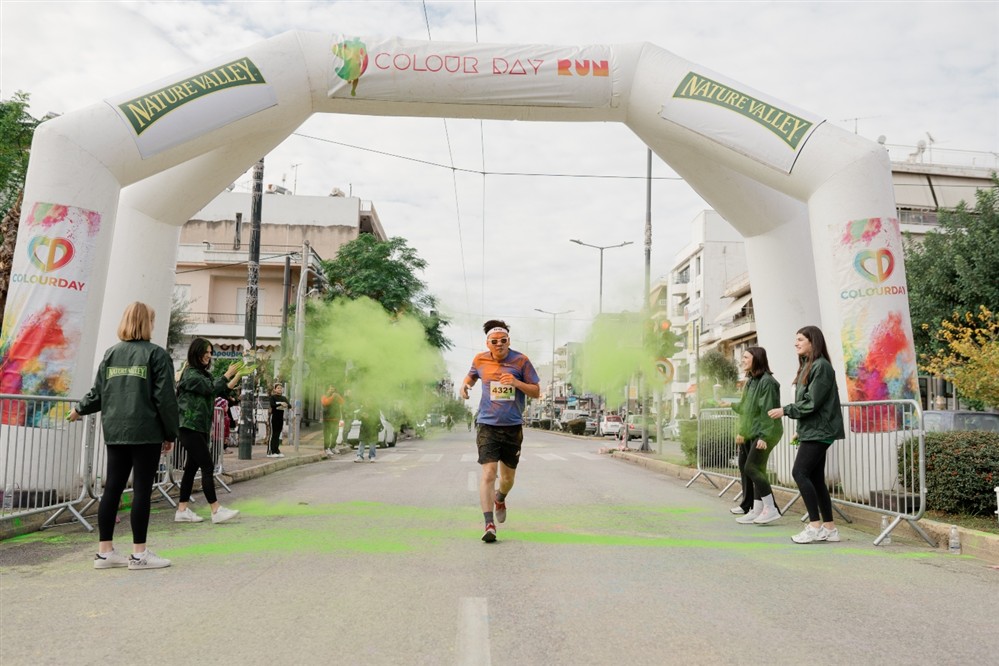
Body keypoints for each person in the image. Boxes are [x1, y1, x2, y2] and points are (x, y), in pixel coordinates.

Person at [68, 302, 179, 570]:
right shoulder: (156, 355)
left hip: (115, 431)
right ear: (146, 323)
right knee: (141, 490)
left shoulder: (110, 354)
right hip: (146, 431)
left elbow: (98, 392)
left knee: (113, 489)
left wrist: (78, 409)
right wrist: (170, 433)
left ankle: (105, 552)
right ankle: (139, 554)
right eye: (151, 320)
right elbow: (164, 398)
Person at [460, 320, 540, 543]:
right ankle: (489, 524)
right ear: (488, 343)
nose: (499, 345)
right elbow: (470, 377)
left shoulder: (521, 361)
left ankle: (501, 498)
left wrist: (516, 383)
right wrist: (465, 386)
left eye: (503, 341)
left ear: (508, 342)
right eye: (494, 342)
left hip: (512, 426)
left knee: (507, 479)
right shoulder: (480, 359)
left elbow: (536, 391)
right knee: (488, 473)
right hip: (487, 424)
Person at [768, 325, 846, 544]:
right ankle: (830, 529)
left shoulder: (821, 367)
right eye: (796, 339)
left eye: (800, 339)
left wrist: (786, 410)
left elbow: (812, 403)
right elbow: (809, 404)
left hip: (821, 430)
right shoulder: (807, 366)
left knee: (799, 473)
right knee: (816, 479)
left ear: (813, 341)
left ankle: (814, 526)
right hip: (814, 430)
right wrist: (800, 430)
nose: (796, 343)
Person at [173, 338, 241, 525]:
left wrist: (237, 374)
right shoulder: (190, 375)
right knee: (207, 466)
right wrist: (227, 374)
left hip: (200, 427)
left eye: (211, 352)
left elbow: (221, 390)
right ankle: (215, 509)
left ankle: (182, 510)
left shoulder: (203, 374)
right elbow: (212, 388)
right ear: (196, 352)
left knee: (191, 469)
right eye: (206, 352)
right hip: (189, 426)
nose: (209, 355)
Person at [728, 347, 784, 525]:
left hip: (765, 432)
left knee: (752, 468)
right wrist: (731, 404)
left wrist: (764, 436)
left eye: (745, 357)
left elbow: (767, 410)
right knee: (753, 468)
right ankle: (757, 509)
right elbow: (747, 409)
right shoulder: (752, 380)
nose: (742, 360)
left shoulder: (767, 382)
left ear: (756, 359)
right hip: (754, 431)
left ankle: (770, 508)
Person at [267, 383, 290, 458]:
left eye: (281, 388)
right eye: (278, 388)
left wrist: (286, 405)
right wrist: (280, 404)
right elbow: (272, 405)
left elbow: (289, 405)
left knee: (278, 434)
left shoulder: (284, 398)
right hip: (274, 417)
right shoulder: (273, 397)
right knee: (273, 434)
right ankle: (271, 451)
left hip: (280, 418)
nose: (279, 389)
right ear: (275, 389)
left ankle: (276, 450)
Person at [321, 384, 345, 454]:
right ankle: (326, 448)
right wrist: (332, 397)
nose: (332, 390)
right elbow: (325, 402)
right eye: (330, 389)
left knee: (335, 434)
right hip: (327, 419)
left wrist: (338, 396)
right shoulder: (324, 396)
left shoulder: (337, 396)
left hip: (335, 418)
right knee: (327, 435)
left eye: (333, 389)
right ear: (327, 390)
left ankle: (333, 447)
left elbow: (342, 402)